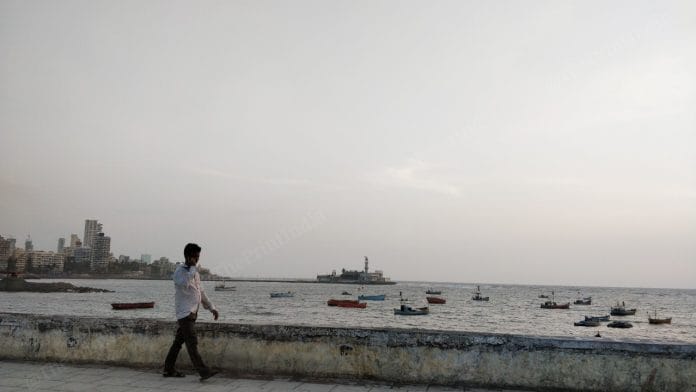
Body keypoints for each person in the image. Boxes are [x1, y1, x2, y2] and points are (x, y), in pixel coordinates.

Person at [163, 243, 220, 381]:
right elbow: (184, 283)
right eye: (195, 256)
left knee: (178, 343)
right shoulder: (179, 272)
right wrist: (192, 268)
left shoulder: (195, 273)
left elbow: (201, 293)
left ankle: (168, 369)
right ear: (188, 257)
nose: (197, 259)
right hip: (184, 313)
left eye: (198, 256)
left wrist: (212, 307)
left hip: (193, 313)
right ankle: (203, 371)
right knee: (192, 342)